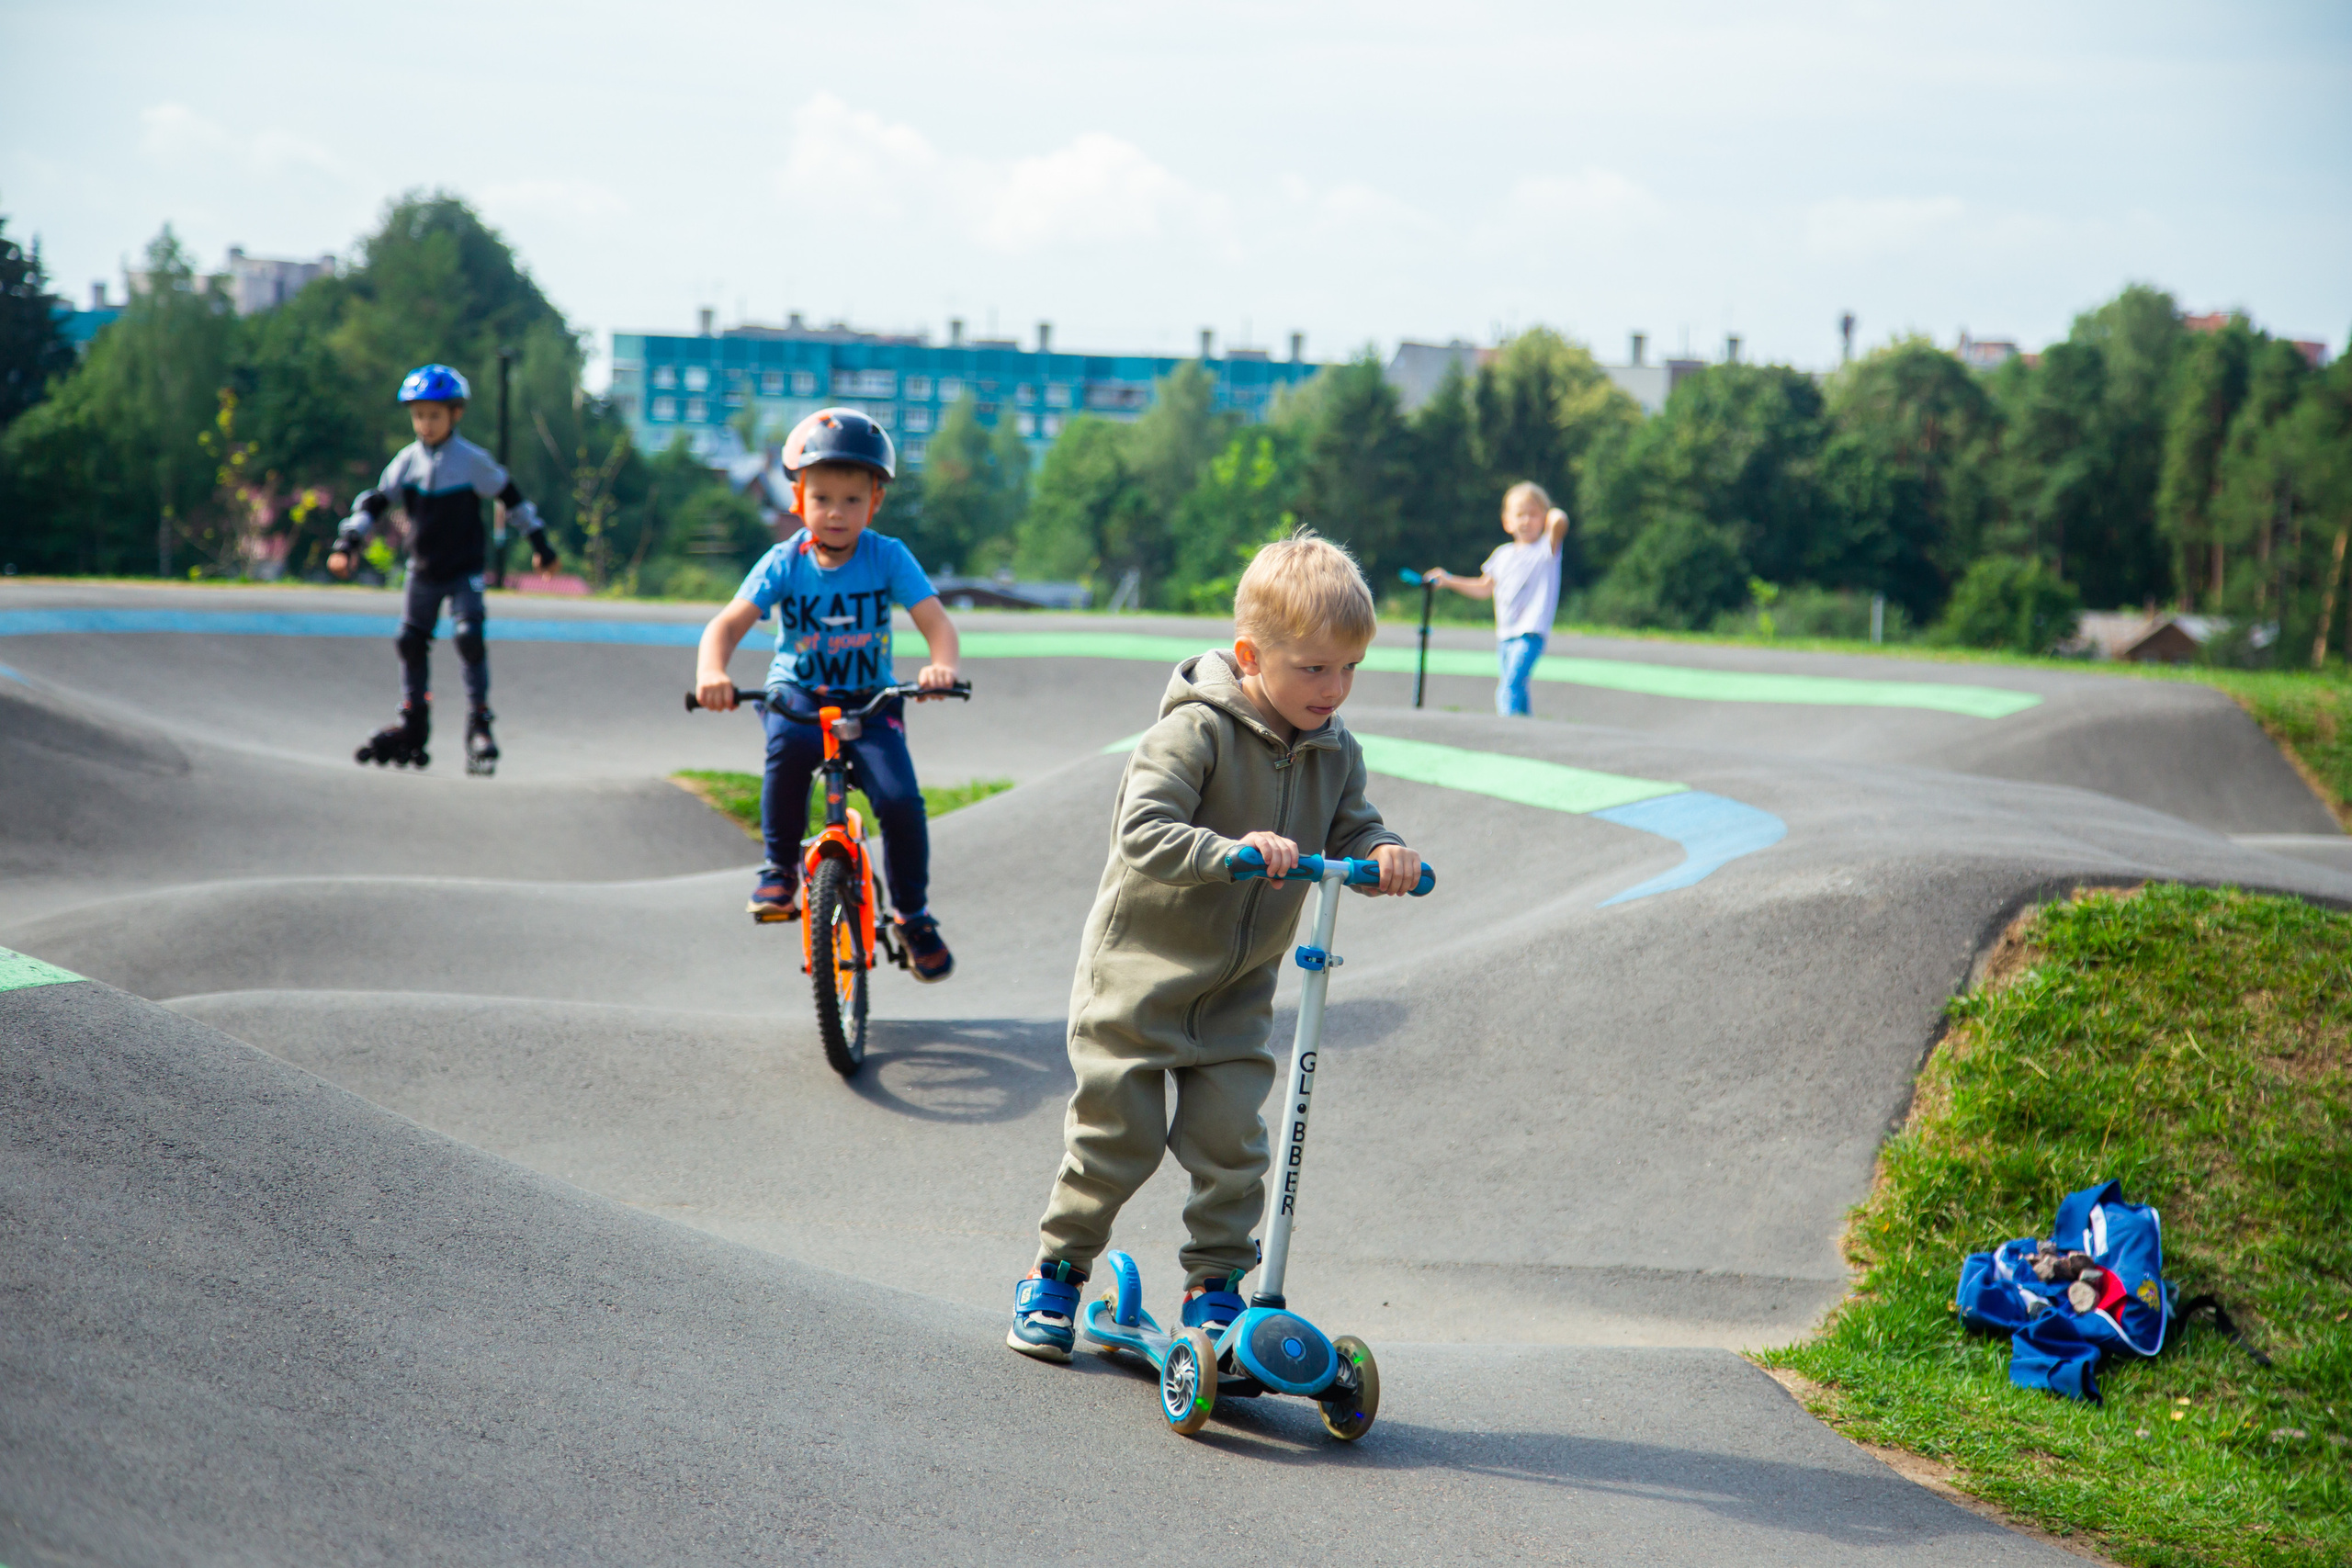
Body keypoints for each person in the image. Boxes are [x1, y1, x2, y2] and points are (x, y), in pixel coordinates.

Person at [1008, 530, 1423, 1362]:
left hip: (1236, 994)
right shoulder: (1191, 733)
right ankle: (1056, 1269)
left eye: (1348, 668)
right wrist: (1228, 851)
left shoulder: (1335, 750)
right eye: (1312, 667)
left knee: (1234, 1146)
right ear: (1250, 654)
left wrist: (1383, 853)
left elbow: (1356, 824)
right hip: (1138, 981)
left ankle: (1214, 1289)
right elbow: (1142, 830)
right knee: (1114, 1142)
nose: (1333, 688)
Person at [692, 408, 963, 981]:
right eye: (822, 498)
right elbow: (726, 626)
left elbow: (938, 624)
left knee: (900, 803)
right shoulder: (783, 563)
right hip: (798, 695)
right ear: (797, 498)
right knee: (786, 755)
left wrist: (941, 666)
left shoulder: (887, 556)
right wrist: (712, 672)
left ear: (875, 503)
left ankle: (912, 914)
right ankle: (779, 870)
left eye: (851, 500)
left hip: (871, 697)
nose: (836, 513)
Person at [331, 364, 560, 773]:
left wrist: (539, 543)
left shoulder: (472, 461)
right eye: (418, 415)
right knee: (409, 641)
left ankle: (480, 721)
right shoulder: (407, 462)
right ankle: (413, 719)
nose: (426, 424)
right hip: (422, 569)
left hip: (464, 568)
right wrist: (347, 543)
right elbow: (376, 502)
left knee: (469, 637)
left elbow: (511, 497)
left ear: (456, 414)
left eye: (434, 415)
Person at [1422, 480, 1568, 716]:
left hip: (1530, 632)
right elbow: (1483, 587)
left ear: (1543, 518)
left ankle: (1509, 735)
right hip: (1505, 635)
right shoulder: (1502, 555)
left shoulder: (1546, 550)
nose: (1526, 521)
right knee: (1518, 690)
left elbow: (1560, 520)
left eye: (1533, 514)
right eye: (1520, 514)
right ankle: (1529, 732)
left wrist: (1550, 514)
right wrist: (1448, 580)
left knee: (1508, 688)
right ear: (1507, 521)